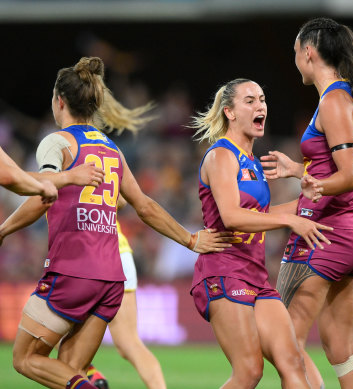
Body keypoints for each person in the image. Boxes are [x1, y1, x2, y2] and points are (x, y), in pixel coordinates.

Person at [0, 56, 231, 389]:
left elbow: (41, 189)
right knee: (69, 368)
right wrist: (190, 240)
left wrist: (5, 228)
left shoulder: (56, 142)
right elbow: (145, 206)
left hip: (72, 271)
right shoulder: (111, 149)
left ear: (59, 101)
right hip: (111, 279)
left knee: (24, 359)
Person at [260, 17, 353, 389]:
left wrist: (300, 179)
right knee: (341, 349)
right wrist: (296, 170)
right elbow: (337, 169)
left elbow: (347, 176)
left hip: (324, 235)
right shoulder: (349, 98)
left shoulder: (333, 101)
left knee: (284, 341)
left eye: (295, 52)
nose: (294, 60)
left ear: (309, 53)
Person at [189, 78, 333, 389]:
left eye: (263, 99)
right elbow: (231, 216)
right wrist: (291, 222)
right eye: (250, 100)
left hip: (255, 276)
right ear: (229, 112)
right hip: (223, 273)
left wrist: (308, 198)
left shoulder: (253, 162)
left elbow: (263, 215)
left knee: (293, 361)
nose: (261, 106)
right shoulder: (221, 156)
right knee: (249, 372)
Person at [87, 200, 167, 389]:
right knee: (129, 343)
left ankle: (89, 375)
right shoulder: (112, 168)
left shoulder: (65, 170)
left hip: (86, 253)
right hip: (120, 251)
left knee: (48, 330)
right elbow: (121, 200)